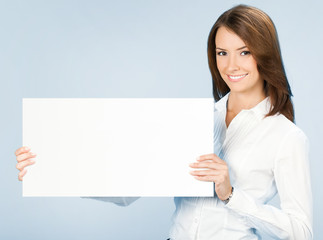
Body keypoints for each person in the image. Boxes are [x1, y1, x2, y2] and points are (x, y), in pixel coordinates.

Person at [15, 4, 313, 240]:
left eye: (244, 52)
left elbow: (301, 231)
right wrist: (52, 168)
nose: (231, 66)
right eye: (222, 53)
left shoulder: (286, 136)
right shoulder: (192, 122)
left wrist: (231, 194)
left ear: (264, 54)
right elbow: (127, 191)